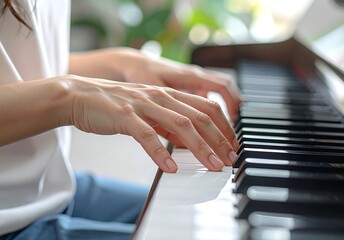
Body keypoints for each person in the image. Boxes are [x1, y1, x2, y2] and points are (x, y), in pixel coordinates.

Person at [0, 0, 242, 239]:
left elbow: (19, 59)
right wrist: (70, 98)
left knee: (198, 219)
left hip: (48, 180)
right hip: (9, 217)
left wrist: (123, 64)